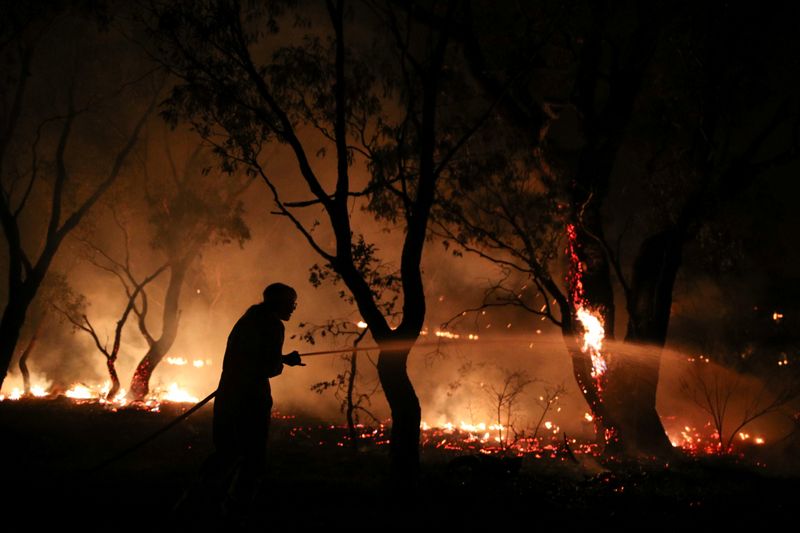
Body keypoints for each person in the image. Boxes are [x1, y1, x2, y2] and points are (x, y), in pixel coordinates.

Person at [201, 282, 304, 516]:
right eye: (291, 302)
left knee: (226, 451)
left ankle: (202, 498)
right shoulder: (273, 325)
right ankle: (236, 510)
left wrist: (283, 358)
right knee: (253, 457)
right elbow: (267, 366)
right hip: (251, 400)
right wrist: (280, 363)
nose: (293, 308)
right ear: (277, 302)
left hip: (228, 394)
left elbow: (251, 356)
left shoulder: (249, 319)